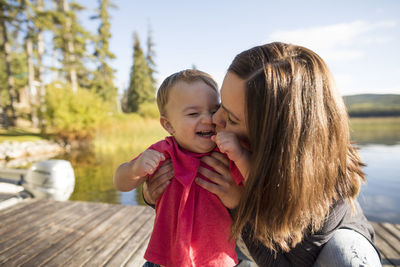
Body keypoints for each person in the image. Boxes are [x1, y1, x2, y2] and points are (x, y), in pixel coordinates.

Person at [143, 42, 382, 267]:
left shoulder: (328, 188)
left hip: (310, 257)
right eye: (220, 106)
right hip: (239, 252)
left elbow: (289, 263)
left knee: (344, 255)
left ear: (275, 136)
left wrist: (240, 203)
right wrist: (154, 191)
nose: (215, 120)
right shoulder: (227, 144)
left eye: (231, 118)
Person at [113, 69, 246, 267]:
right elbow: (120, 182)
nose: (208, 119)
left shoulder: (226, 153)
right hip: (166, 259)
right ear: (169, 125)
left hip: (217, 259)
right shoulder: (164, 151)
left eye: (213, 110)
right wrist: (134, 170)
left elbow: (256, 190)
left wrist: (241, 155)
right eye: (193, 113)